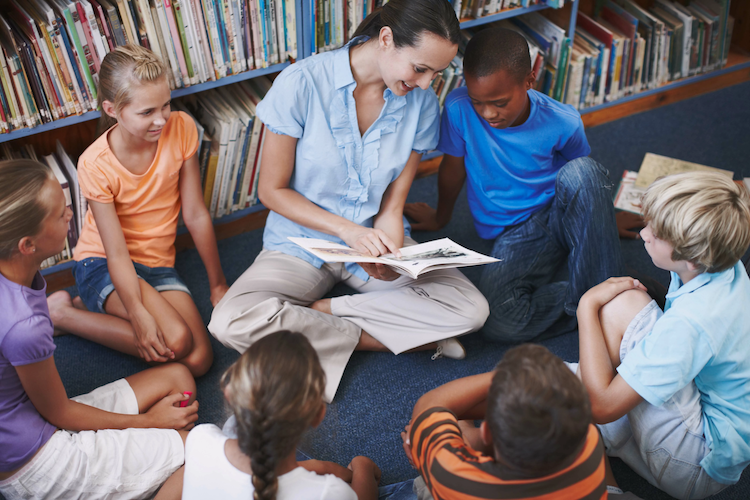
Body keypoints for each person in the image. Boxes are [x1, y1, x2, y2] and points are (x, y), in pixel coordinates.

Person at [208, 0, 489, 402]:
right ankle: (395, 338)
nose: (428, 83)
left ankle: (317, 318)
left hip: (375, 246)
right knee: (229, 320)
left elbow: (393, 206)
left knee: (470, 310)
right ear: (387, 40)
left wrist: (388, 243)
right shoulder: (302, 82)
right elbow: (272, 191)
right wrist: (347, 230)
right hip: (302, 244)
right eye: (420, 68)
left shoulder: (423, 103)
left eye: (437, 73)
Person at [405, 27, 623, 343]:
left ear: (529, 82)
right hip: (516, 233)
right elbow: (452, 167)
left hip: (560, 209)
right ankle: (597, 295)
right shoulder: (457, 109)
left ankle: (608, 301)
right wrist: (441, 217)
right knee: (500, 320)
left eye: (499, 102)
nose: (488, 113)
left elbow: (586, 180)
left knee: (582, 171)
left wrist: (606, 215)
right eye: (478, 101)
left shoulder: (564, 120)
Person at [0, 160, 199, 500]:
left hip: (35, 415)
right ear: (28, 245)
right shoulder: (23, 325)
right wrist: (150, 422)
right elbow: (59, 412)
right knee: (199, 451)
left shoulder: (15, 272)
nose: (69, 214)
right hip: (37, 462)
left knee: (178, 378)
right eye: (58, 213)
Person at [47, 45, 227, 377]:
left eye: (166, 105)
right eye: (146, 113)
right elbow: (116, 253)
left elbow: (196, 213)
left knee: (199, 361)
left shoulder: (182, 127)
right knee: (176, 339)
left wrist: (218, 285)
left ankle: (83, 310)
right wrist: (139, 315)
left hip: (157, 263)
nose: (161, 120)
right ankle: (62, 315)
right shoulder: (95, 164)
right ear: (112, 109)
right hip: (103, 262)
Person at [576, 172, 750, 499]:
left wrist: (585, 307)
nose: (643, 234)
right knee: (619, 313)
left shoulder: (691, 323)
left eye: (655, 234)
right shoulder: (723, 261)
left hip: (694, 465)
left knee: (618, 306)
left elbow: (600, 407)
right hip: (718, 435)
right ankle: (616, 426)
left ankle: (611, 433)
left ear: (692, 256)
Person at [182, 331, 379, 499]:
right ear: (318, 415)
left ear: (229, 393)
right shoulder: (328, 492)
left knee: (231, 425)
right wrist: (363, 467)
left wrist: (315, 467)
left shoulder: (200, 438)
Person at [402, 343, 608, 499]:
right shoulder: (588, 442)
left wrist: (507, 377)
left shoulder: (455, 477)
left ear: (487, 432)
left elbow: (429, 404)